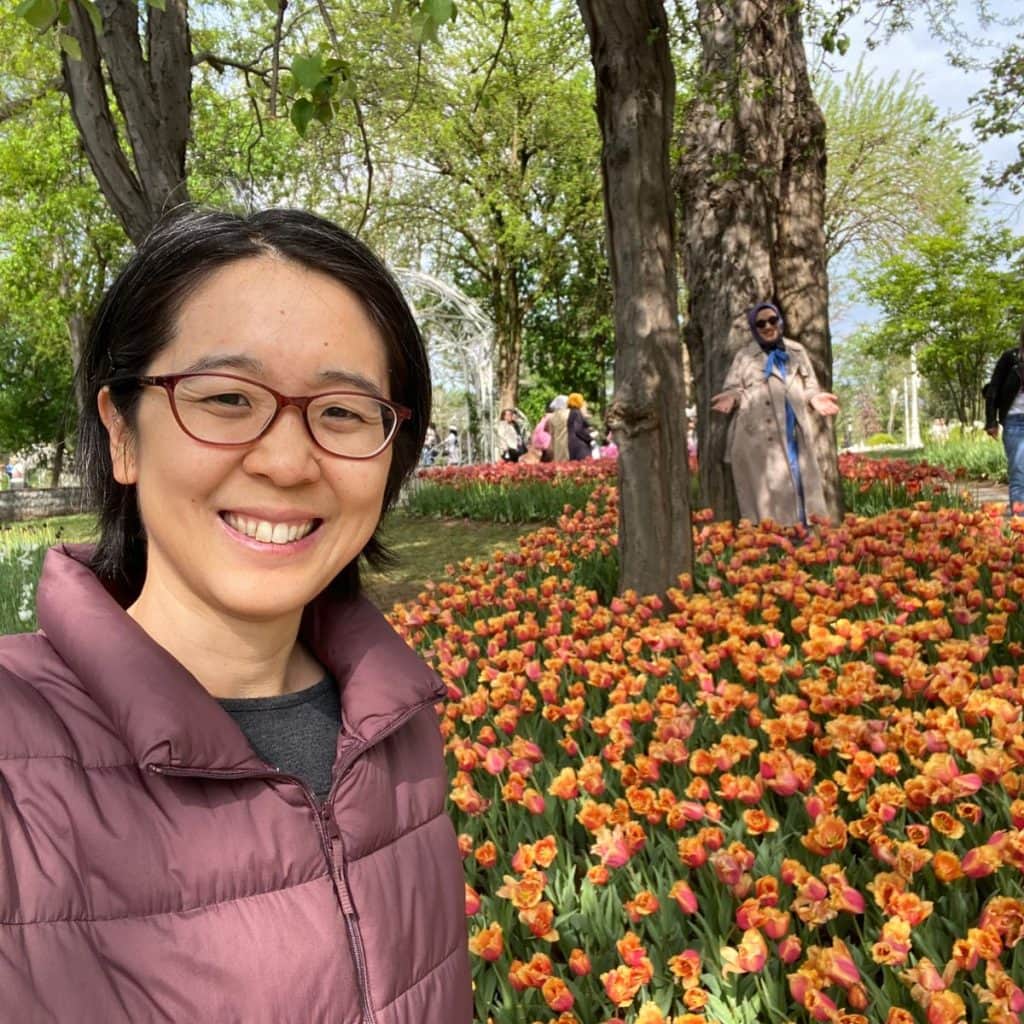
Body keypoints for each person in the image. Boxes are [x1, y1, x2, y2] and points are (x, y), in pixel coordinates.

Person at [0, 208, 473, 1022]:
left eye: (343, 413)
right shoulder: (15, 755)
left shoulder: (397, 725)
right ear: (122, 434)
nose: (287, 462)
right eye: (225, 398)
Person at [711, 301, 839, 526]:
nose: (768, 326)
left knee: (801, 488)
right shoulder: (744, 356)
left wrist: (815, 398)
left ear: (780, 321)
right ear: (754, 328)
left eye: (772, 320)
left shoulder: (796, 352)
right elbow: (734, 387)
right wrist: (731, 397)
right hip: (758, 437)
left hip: (793, 431)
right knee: (768, 498)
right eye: (760, 324)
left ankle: (804, 543)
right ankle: (773, 547)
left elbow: (810, 386)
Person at [984, 321, 1024, 513]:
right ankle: (1020, 522)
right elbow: (993, 389)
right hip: (1015, 421)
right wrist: (991, 421)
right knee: (1018, 471)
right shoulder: (1010, 358)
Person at [567, 392, 594, 461]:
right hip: (580, 446)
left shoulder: (572, 412)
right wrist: (589, 438)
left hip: (573, 444)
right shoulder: (576, 413)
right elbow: (578, 430)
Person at [548, 394, 570, 462]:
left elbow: (551, 433)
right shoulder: (569, 413)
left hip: (557, 444)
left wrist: (551, 446)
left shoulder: (552, 417)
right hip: (568, 442)